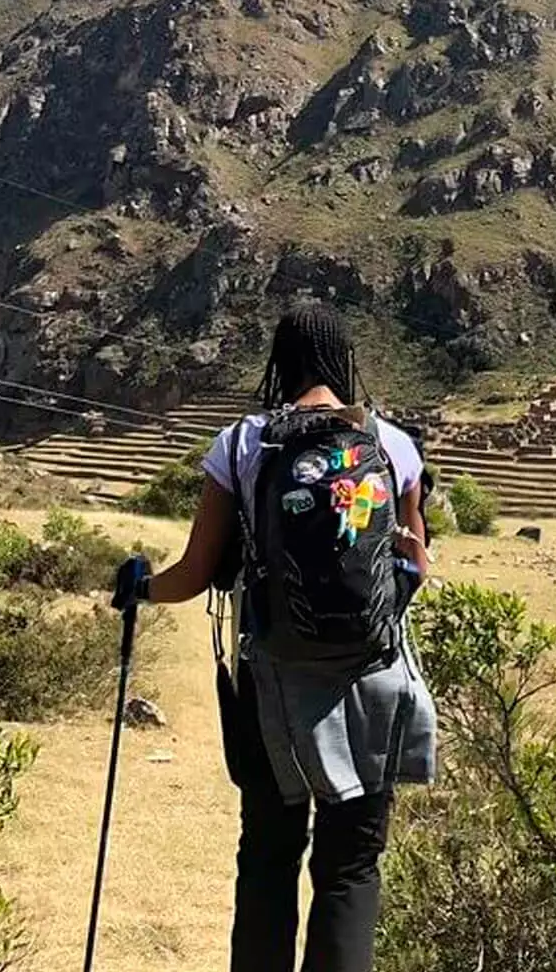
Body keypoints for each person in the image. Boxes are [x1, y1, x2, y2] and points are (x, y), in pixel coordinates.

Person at [111, 305, 436, 972]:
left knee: (267, 858)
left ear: (278, 363)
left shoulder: (242, 443)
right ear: (345, 362)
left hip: (273, 687)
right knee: (350, 867)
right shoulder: (394, 445)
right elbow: (416, 569)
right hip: (370, 678)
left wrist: (139, 586)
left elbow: (195, 575)